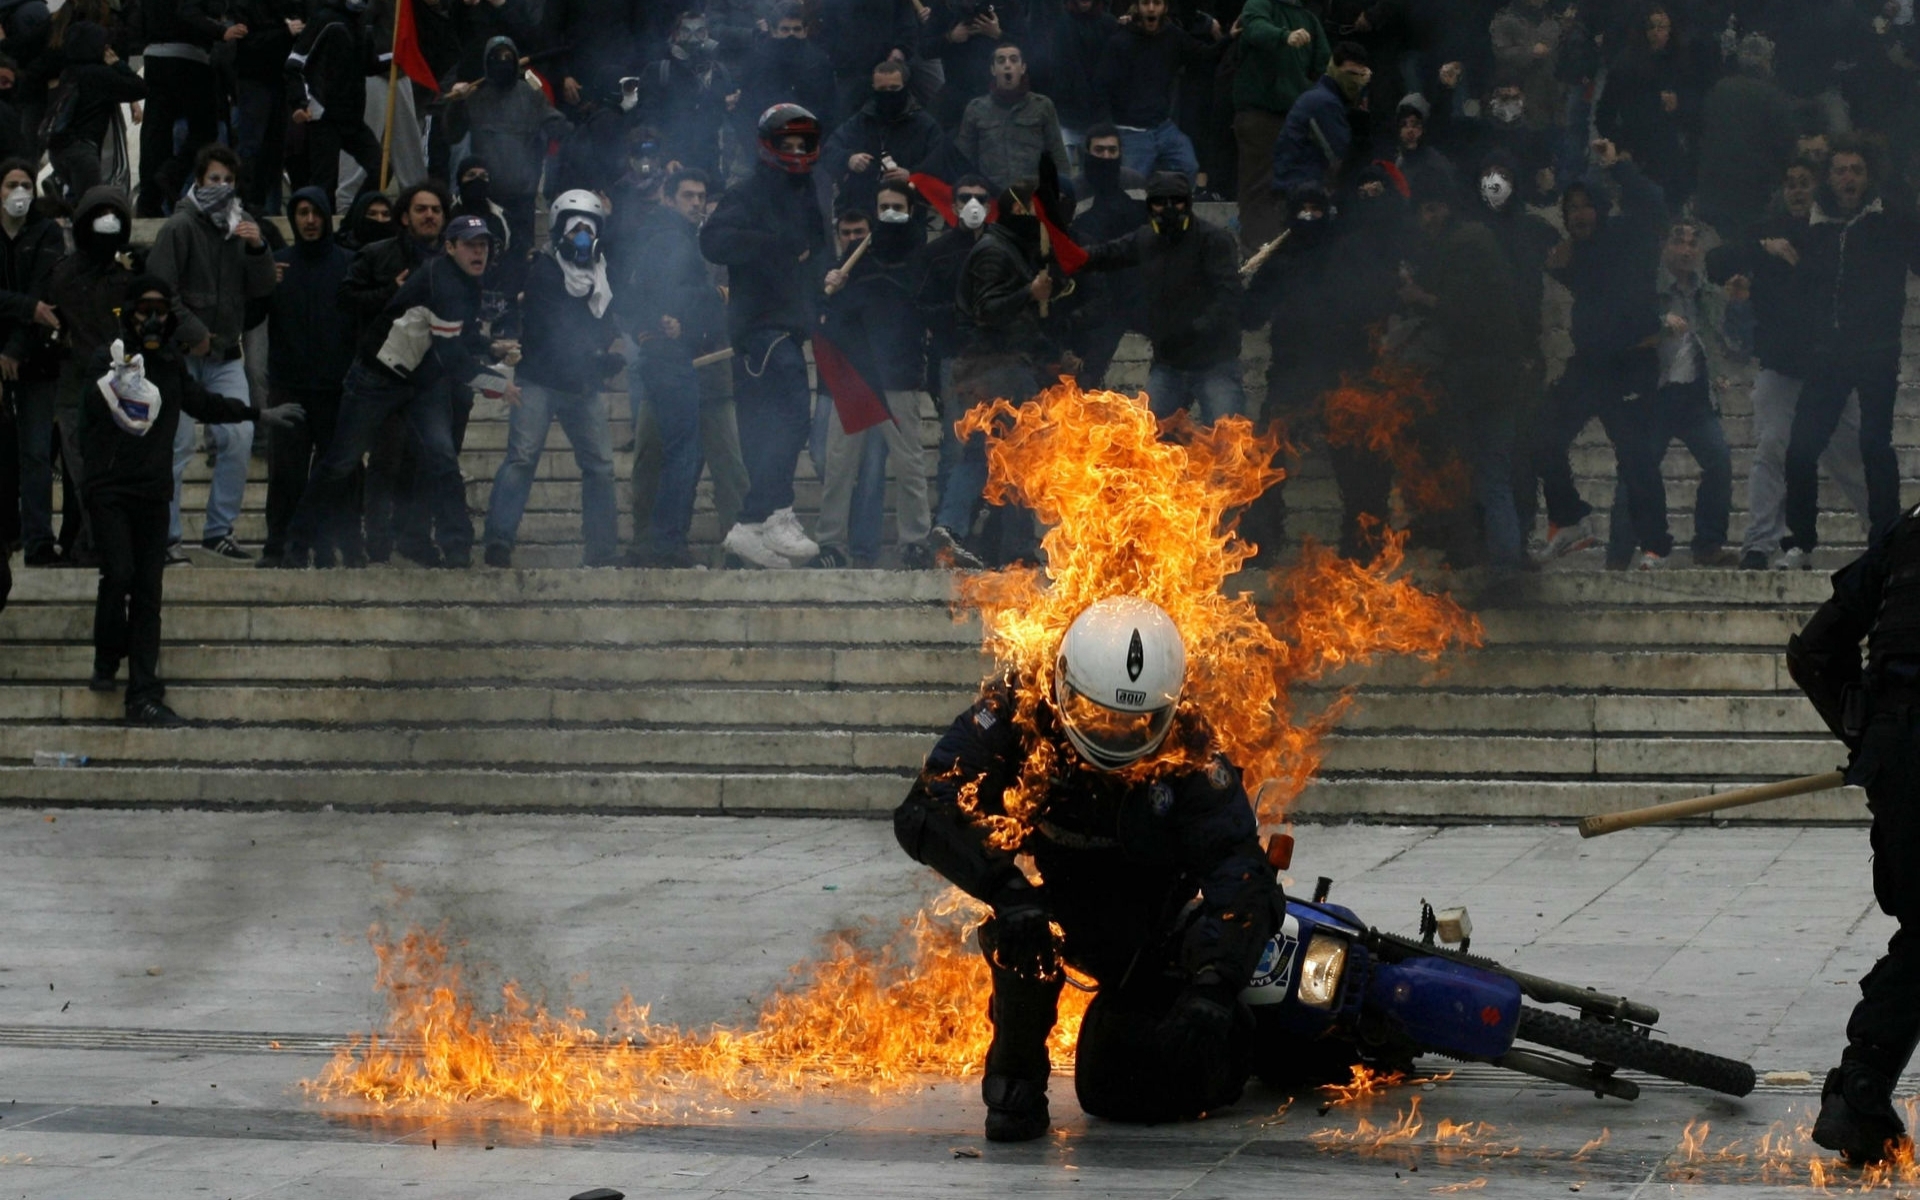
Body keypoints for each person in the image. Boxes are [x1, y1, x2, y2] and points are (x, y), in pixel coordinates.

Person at [894, 596, 1283, 1141]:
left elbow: (1238, 868)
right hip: (1053, 906)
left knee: (1120, 1090)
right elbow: (925, 807)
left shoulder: (1191, 746)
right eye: (1098, 714)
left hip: (1154, 928)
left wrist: (1216, 983)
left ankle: (1242, 1035)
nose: (1114, 735)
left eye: (1136, 722)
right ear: (1062, 686)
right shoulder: (1019, 706)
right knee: (1023, 933)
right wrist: (1005, 888)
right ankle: (1014, 1082)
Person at [81, 277, 303, 724]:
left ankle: (143, 692)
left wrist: (257, 414)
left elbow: (202, 403)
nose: (154, 319)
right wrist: (113, 381)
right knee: (118, 573)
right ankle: (106, 659)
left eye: (162, 309)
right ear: (128, 313)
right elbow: (86, 415)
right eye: (144, 309)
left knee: (148, 592)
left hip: (152, 493)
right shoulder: (106, 360)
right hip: (109, 491)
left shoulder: (167, 364)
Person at [1787, 516, 1920, 1164]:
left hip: (1899, 755)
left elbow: (1815, 648)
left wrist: (1868, 730)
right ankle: (1859, 1094)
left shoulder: (1910, 532)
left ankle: (1860, 1095)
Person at [290, 215, 511, 569]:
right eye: (470, 244)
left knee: (441, 460)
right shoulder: (444, 281)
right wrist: (496, 383)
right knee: (340, 462)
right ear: (450, 247)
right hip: (377, 377)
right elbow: (451, 354)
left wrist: (489, 348)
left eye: (483, 245)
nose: (478, 252)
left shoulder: (465, 281)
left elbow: (458, 336)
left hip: (422, 379)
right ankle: (297, 542)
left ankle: (457, 548)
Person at [1711, 159, 1870, 571]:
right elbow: (1716, 262)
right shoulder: (1768, 227)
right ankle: (1760, 544)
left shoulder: (1834, 227)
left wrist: (1802, 267)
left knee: (1851, 456)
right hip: (1779, 366)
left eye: (1805, 183)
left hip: (1829, 370)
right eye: (1791, 183)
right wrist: (1762, 248)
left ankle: (1888, 533)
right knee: (1770, 449)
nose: (1797, 191)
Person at [1529, 139, 1671, 567]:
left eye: (1586, 206)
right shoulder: (1573, 254)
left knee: (1636, 457)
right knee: (1543, 435)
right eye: (1570, 208)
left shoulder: (1629, 235)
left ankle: (1655, 546)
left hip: (1630, 363)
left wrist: (1618, 166)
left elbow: (1653, 207)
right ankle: (1570, 518)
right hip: (1589, 365)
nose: (1578, 215)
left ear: (1603, 207)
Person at [1779, 138, 1920, 566]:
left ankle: (1886, 539)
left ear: (1868, 176)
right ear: (1830, 177)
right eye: (1840, 170)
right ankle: (1800, 542)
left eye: (1856, 170)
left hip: (1877, 349)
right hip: (1828, 353)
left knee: (1875, 443)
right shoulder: (1814, 224)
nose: (1848, 178)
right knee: (1801, 447)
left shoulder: (1891, 219)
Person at [700, 103, 827, 570]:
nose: (796, 153)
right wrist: (771, 247)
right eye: (787, 145)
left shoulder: (807, 192)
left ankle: (751, 526)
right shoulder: (748, 192)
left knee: (773, 427)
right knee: (792, 416)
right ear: (768, 145)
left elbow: (815, 251)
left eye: (803, 145)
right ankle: (773, 513)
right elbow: (712, 239)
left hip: (792, 324)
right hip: (759, 326)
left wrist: (823, 285)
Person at [147, 144, 279, 563]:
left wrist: (259, 248)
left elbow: (262, 289)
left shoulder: (243, 225)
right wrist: (193, 331)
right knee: (177, 446)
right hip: (179, 357)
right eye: (213, 179)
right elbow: (158, 292)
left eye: (228, 180)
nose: (221, 187)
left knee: (239, 435)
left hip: (225, 356)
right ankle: (166, 538)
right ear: (199, 181)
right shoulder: (178, 228)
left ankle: (218, 530)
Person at [482, 191, 623, 569]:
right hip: (540, 380)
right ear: (560, 229)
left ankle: (602, 548)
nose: (580, 236)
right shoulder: (543, 269)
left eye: (587, 229)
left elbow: (605, 322)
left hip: (582, 386)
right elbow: (550, 326)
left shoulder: (602, 275)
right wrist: (595, 356)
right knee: (522, 459)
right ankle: (498, 540)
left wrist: (605, 356)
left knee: (600, 467)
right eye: (574, 227)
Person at [810, 187, 932, 569]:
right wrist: (829, 292)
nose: (890, 213)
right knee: (840, 465)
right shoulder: (838, 268)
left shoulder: (909, 255)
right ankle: (831, 543)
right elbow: (819, 317)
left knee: (909, 463)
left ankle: (914, 541)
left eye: (897, 208)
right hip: (850, 378)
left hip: (896, 375)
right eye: (884, 207)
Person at [1602, 219, 1734, 569]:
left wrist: (1717, 375)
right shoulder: (1645, 289)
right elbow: (1624, 334)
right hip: (1651, 397)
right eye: (1680, 242)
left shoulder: (1706, 293)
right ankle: (1618, 555)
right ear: (1665, 248)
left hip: (1693, 397)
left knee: (1719, 462)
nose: (1687, 250)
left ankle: (1708, 543)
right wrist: (1660, 327)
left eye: (1693, 243)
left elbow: (1712, 338)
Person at [1079, 172, 1243, 424]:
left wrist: (1195, 330)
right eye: (1159, 202)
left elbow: (1228, 297)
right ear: (1149, 205)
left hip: (1214, 362)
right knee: (1147, 438)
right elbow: (1107, 254)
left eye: (1176, 201)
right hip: (1170, 363)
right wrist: (1069, 255)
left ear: (1187, 203)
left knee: (1228, 441)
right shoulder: (1146, 239)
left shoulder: (1214, 240)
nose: (1168, 209)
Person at [629, 167, 729, 568]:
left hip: (667, 353)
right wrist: (715, 296)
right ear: (669, 198)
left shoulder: (669, 236)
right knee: (683, 452)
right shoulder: (670, 237)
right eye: (687, 195)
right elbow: (671, 291)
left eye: (700, 196)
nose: (695, 203)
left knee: (674, 451)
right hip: (670, 360)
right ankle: (666, 542)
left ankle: (659, 541)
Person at [261, 187, 356, 569]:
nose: (310, 221)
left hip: (336, 389)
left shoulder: (349, 264)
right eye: (302, 213)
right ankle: (278, 546)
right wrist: (265, 284)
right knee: (286, 473)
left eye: (316, 212)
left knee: (338, 474)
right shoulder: (277, 266)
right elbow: (251, 313)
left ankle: (335, 547)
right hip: (289, 387)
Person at [0, 159, 70, 566]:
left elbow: (48, 290)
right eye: (12, 184)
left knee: (37, 453)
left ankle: (39, 539)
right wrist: (27, 308)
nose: (20, 191)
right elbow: (35, 302)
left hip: (38, 359)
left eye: (27, 183)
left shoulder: (46, 234)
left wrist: (14, 345)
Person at [444, 37, 568, 256]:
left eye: (507, 57)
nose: (502, 63)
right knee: (486, 249)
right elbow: (453, 133)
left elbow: (554, 123)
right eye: (497, 58)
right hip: (486, 195)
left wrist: (562, 126)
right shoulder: (476, 95)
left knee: (523, 252)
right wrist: (457, 104)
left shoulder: (531, 94)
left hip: (523, 194)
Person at [1230, 0, 1328, 251]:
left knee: (1295, 187)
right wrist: (1284, 36)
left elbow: (1323, 64)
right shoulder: (1259, 5)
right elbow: (1255, 29)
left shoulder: (1309, 19)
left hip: (1295, 117)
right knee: (1259, 186)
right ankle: (1257, 252)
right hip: (1259, 114)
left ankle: (1289, 250)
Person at [1097, 0, 1223, 179]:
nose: (1151, 8)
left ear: (1165, 8)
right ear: (1137, 7)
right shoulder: (1120, 41)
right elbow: (1103, 83)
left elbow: (1204, 55)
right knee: (1133, 182)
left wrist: (1230, 38)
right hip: (1131, 130)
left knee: (1188, 166)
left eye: (1156, 3)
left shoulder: (1172, 36)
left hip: (1162, 126)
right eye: (1145, 3)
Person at [818, 59, 953, 223]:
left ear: (905, 86)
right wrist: (849, 159)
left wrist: (911, 176)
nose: (888, 94)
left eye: (894, 88)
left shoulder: (925, 126)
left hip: (907, 213)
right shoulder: (860, 121)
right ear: (873, 89)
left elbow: (942, 165)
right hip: (863, 212)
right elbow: (829, 150)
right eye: (882, 89)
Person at [135, 0, 236, 215]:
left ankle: (149, 200)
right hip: (190, 56)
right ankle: (173, 172)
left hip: (154, 54)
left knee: (156, 132)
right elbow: (189, 12)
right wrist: (220, 30)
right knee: (205, 128)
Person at [44, 19, 145, 202]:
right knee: (90, 204)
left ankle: (58, 181)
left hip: (58, 147)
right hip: (84, 149)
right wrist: (117, 64)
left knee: (75, 200)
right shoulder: (100, 75)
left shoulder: (69, 72)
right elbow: (139, 88)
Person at [955, 41, 1070, 192]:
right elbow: (963, 158)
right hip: (992, 196)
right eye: (1001, 61)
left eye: (1014, 60)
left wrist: (1063, 192)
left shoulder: (1042, 106)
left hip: (1033, 195)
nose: (1007, 65)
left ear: (1023, 68)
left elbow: (1057, 154)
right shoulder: (976, 109)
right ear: (993, 69)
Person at [1268, 42, 1371, 198]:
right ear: (1335, 70)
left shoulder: (1327, 98)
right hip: (1301, 190)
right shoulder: (1325, 103)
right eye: (1350, 74)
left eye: (1360, 76)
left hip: (1301, 184)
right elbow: (1343, 155)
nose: (1355, 81)